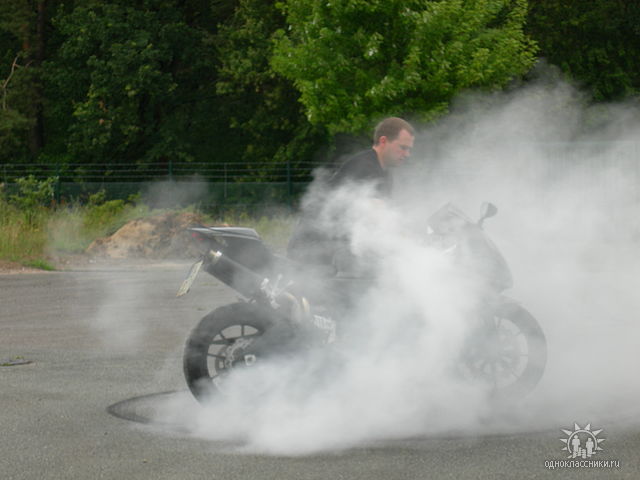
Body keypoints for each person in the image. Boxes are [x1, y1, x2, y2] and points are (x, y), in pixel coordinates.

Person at [287, 117, 415, 269]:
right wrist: (410, 244)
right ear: (383, 141)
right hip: (311, 251)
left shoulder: (385, 174)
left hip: (335, 251)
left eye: (409, 149)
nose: (407, 154)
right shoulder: (363, 167)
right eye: (403, 147)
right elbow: (379, 215)